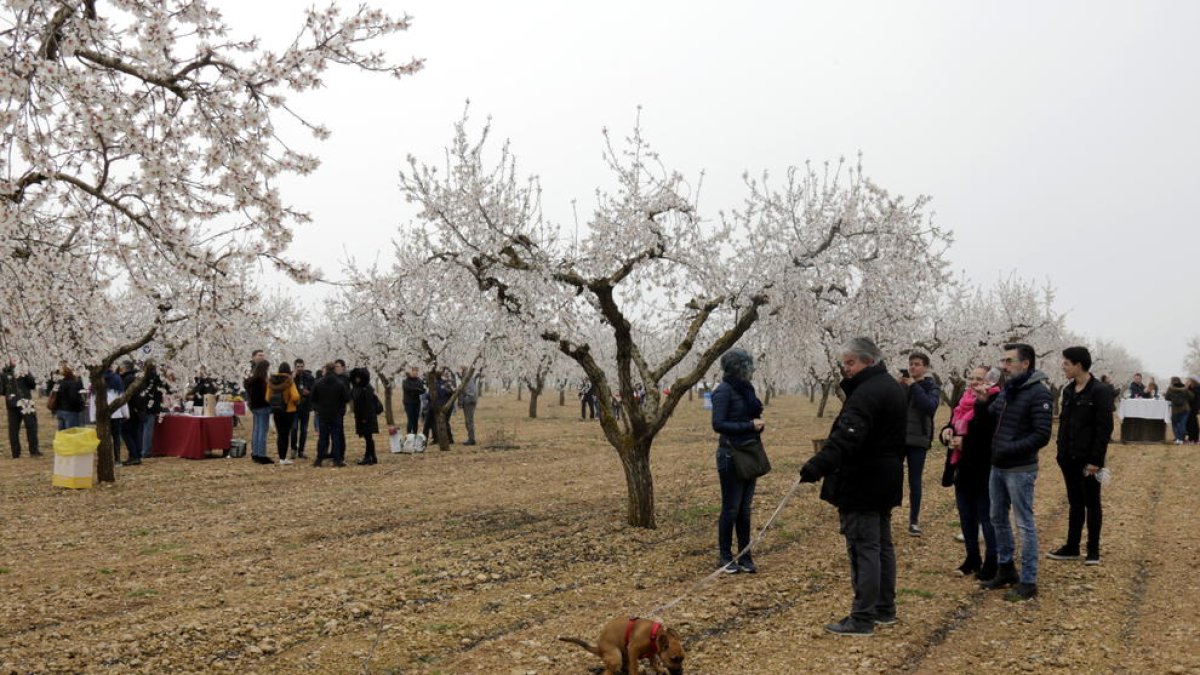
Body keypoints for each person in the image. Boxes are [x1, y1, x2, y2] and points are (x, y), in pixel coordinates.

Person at [799, 337, 906, 636]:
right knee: (881, 544)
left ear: (868, 361)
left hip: (864, 480)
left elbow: (848, 438)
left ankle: (862, 618)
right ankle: (884, 609)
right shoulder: (891, 387)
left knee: (864, 547)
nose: (845, 369)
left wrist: (817, 466)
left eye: (851, 363)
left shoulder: (867, 393)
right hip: (885, 477)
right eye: (844, 363)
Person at [979, 343, 1052, 601]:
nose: (1004, 366)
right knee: (997, 517)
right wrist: (984, 400)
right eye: (1003, 360)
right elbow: (993, 415)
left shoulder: (1039, 394)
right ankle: (1006, 568)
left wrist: (1009, 449)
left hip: (1020, 469)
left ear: (1026, 364)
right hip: (998, 465)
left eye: (1009, 361)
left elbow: (1042, 435)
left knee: (1024, 524)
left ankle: (1029, 580)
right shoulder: (1009, 390)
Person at [1048, 346, 1113, 566]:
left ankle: (1093, 550)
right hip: (1068, 457)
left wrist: (1096, 459)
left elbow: (1104, 428)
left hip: (1088, 460)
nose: (1063, 367)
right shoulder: (1068, 391)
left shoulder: (1100, 391)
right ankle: (1072, 546)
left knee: (1092, 503)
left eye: (1066, 363)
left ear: (1078, 365)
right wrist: (1060, 451)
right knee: (1075, 502)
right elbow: (1065, 423)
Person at [940, 365, 1000, 580]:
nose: (974, 382)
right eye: (972, 378)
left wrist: (966, 444)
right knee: (966, 517)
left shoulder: (994, 401)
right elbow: (951, 426)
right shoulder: (963, 401)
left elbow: (990, 435)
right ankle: (972, 558)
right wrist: (946, 432)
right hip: (961, 467)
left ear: (990, 381)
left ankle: (992, 562)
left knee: (986, 516)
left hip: (983, 468)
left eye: (979, 378)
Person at [711, 348, 767, 574]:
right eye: (748, 365)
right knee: (731, 508)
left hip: (749, 451)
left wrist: (756, 424)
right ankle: (725, 556)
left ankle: (745, 555)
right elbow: (719, 424)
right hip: (730, 454)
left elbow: (749, 414)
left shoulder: (747, 389)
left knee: (744, 509)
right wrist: (749, 426)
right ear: (739, 367)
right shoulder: (723, 391)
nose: (752, 369)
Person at [900, 352, 940, 536]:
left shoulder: (931, 386)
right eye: (911, 364)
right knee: (892, 475)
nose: (913, 367)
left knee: (914, 481)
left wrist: (914, 386)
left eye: (916, 364)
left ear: (925, 367)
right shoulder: (904, 385)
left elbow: (929, 407)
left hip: (918, 440)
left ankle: (914, 520)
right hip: (899, 438)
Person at [310, 362, 351, 467]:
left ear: (326, 370)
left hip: (323, 414)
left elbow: (312, 398)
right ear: (334, 370)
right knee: (336, 437)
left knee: (323, 437)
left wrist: (317, 409)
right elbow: (346, 398)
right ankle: (337, 460)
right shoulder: (340, 383)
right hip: (336, 414)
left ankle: (319, 459)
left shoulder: (318, 383)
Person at [2, 362, 41, 458]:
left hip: (15, 402)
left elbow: (2, 390)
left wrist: (9, 394)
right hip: (24, 402)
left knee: (16, 428)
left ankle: (18, 452)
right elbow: (32, 385)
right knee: (28, 427)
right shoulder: (8, 373)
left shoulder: (6, 373)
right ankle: (32, 450)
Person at [267, 362, 301, 464]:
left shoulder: (271, 381)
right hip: (288, 410)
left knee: (280, 434)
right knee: (286, 434)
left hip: (276, 411)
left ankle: (281, 457)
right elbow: (295, 396)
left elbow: (267, 397)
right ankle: (284, 458)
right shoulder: (289, 381)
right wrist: (292, 402)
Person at [350, 367, 383, 465]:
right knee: (368, 437)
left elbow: (367, 405)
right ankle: (372, 456)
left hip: (366, 417)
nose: (357, 379)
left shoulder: (366, 388)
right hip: (364, 417)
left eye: (358, 378)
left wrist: (364, 418)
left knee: (368, 437)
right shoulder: (360, 387)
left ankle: (369, 457)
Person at [244, 360, 272, 465]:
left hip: (254, 407)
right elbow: (266, 395)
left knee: (256, 431)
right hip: (263, 406)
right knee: (262, 432)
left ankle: (255, 453)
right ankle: (261, 455)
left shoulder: (252, 380)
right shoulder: (261, 381)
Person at [138, 363, 168, 458]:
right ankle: (146, 450)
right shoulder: (156, 378)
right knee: (148, 429)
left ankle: (143, 449)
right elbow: (163, 389)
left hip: (143, 405)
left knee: (144, 428)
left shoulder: (142, 377)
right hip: (151, 406)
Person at [290, 358, 315, 459]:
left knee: (304, 430)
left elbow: (314, 390)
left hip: (305, 407)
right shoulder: (291, 377)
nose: (300, 368)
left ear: (304, 366)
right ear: (294, 367)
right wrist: (292, 378)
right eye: (298, 367)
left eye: (301, 366)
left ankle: (301, 450)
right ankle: (293, 449)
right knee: (294, 428)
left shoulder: (309, 377)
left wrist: (309, 393)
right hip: (294, 407)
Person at [51, 364, 86, 431]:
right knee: (70, 433)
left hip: (60, 411)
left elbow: (55, 396)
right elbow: (74, 398)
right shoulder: (72, 383)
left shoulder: (59, 383)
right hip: (70, 411)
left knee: (62, 433)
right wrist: (81, 405)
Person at [1164, 377, 1193, 445]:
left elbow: (1166, 398)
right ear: (1179, 381)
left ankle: (1178, 439)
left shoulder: (1170, 389)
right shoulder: (1185, 388)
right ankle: (1182, 439)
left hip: (1175, 410)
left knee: (1175, 425)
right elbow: (1191, 396)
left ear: (1172, 382)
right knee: (1182, 425)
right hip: (1185, 409)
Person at [458, 366, 479, 446]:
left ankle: (471, 439)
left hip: (469, 400)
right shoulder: (469, 376)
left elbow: (463, 390)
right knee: (469, 420)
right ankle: (471, 438)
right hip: (471, 400)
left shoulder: (466, 377)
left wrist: (462, 401)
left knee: (469, 420)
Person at [401, 366, 425, 436]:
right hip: (408, 402)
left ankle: (414, 434)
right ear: (411, 372)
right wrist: (416, 390)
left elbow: (422, 390)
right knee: (410, 419)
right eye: (414, 371)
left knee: (415, 420)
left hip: (417, 402)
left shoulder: (419, 380)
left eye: (417, 371)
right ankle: (409, 435)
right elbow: (407, 389)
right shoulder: (406, 380)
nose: (415, 372)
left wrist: (416, 390)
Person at [1187, 377, 1200, 444]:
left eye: (1189, 381)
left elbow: (1191, 397)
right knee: (1194, 423)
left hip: (1192, 408)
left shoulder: (1195, 389)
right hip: (1193, 408)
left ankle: (1192, 439)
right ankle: (1195, 439)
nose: (1188, 382)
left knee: (1191, 424)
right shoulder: (1192, 388)